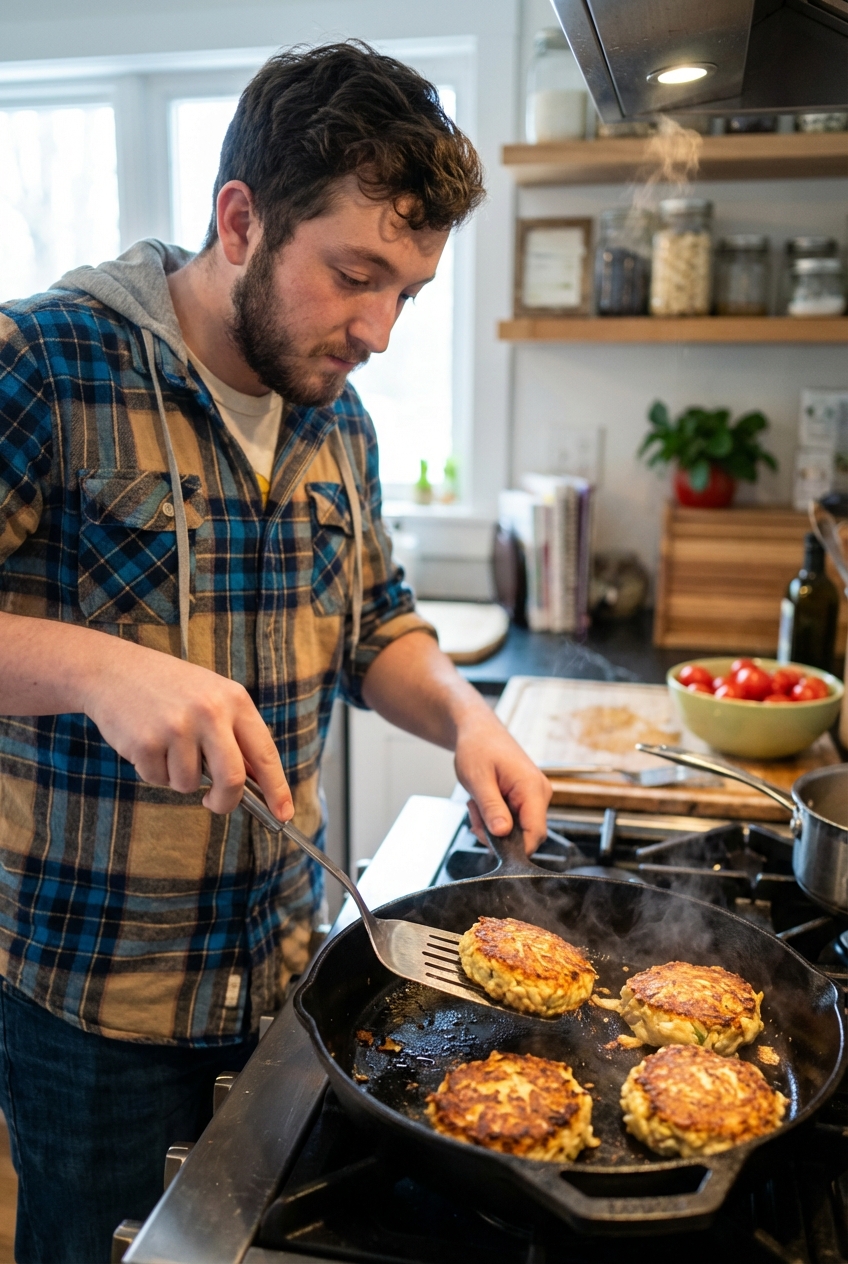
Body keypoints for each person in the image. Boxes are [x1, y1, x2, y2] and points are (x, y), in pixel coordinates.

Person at [0, 41, 551, 1262]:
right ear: (241, 220)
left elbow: (376, 623)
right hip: (97, 1007)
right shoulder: (46, 362)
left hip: (290, 976)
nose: (380, 330)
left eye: (407, 292)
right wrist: (100, 668)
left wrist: (467, 716)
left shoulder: (336, 415)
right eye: (355, 275)